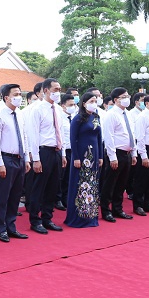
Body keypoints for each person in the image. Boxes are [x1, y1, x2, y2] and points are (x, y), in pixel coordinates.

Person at [0, 84, 30, 242]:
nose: (19, 97)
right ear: (6, 97)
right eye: (15, 94)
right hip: (6, 158)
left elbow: (24, 137)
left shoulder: (19, 114)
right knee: (3, 196)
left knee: (15, 195)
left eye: (20, 94)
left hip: (19, 158)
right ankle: (1, 229)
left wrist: (26, 158)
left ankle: (11, 226)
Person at [26, 78, 67, 233]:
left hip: (56, 151)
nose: (58, 92)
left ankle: (47, 218)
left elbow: (61, 132)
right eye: (55, 89)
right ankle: (35, 220)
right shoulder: (37, 109)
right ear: (45, 91)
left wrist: (62, 152)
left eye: (59, 89)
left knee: (53, 186)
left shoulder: (57, 109)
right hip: (43, 151)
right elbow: (33, 135)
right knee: (39, 187)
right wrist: (35, 159)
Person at [64, 92, 103, 228]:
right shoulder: (78, 118)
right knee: (80, 183)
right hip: (82, 154)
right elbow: (72, 139)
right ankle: (77, 216)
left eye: (95, 101)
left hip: (95, 154)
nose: (94, 103)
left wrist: (101, 157)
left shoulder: (96, 117)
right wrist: (76, 157)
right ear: (84, 103)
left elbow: (99, 137)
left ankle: (90, 216)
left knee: (92, 183)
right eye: (91, 101)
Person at [99, 87, 136, 222]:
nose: (127, 99)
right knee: (110, 183)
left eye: (128, 95)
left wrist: (134, 152)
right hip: (116, 153)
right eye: (123, 97)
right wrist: (112, 157)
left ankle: (117, 209)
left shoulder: (128, 114)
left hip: (127, 153)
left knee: (122, 183)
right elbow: (109, 137)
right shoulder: (111, 114)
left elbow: (132, 134)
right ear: (115, 100)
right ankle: (106, 210)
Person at [56, 93, 77, 211]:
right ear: (63, 106)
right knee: (61, 176)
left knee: (70, 176)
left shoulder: (74, 117)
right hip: (64, 150)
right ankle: (58, 199)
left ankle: (68, 198)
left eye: (74, 104)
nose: (73, 107)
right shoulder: (59, 118)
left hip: (74, 151)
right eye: (70, 105)